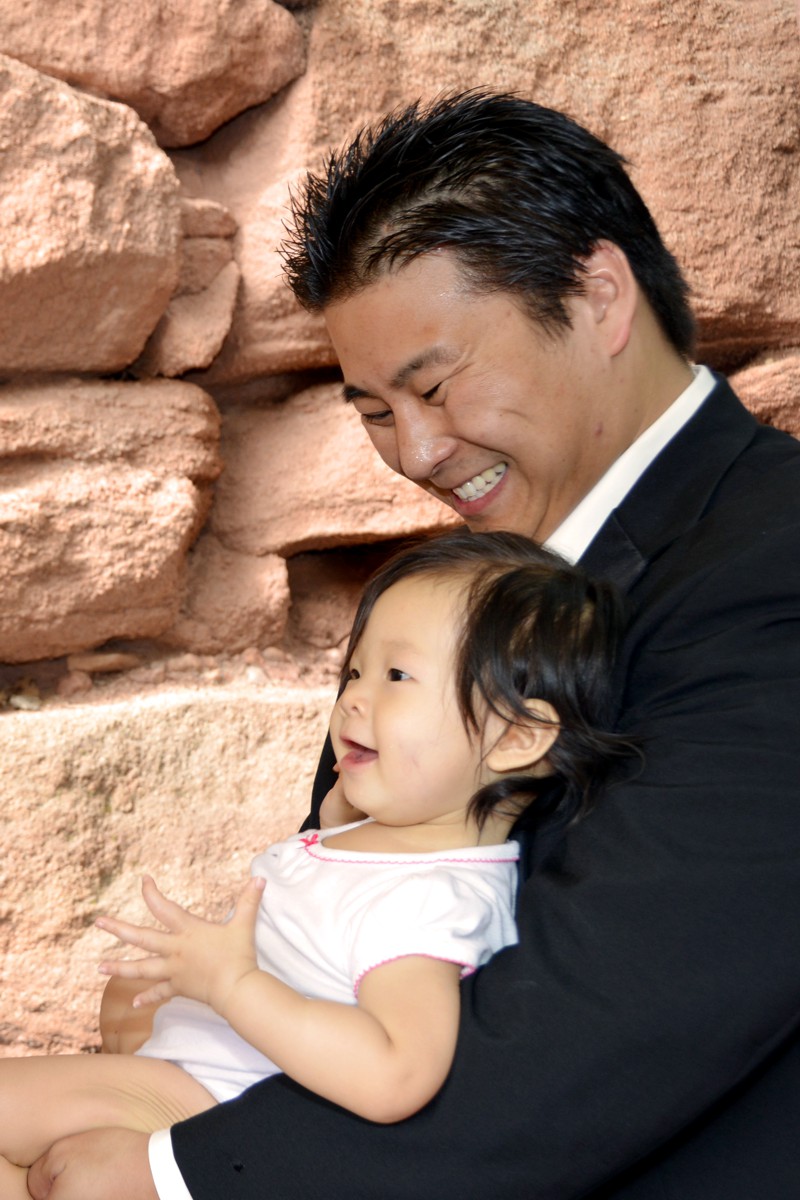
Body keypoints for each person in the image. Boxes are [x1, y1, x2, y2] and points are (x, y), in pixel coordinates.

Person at [27, 90, 800, 1200]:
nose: (419, 452)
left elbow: (623, 1017)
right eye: (375, 412)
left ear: (597, 295)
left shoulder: (773, 568)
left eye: (434, 386)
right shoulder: (454, 595)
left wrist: (174, 1171)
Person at [1, 530, 628, 1197]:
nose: (353, 697)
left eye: (396, 676)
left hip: (215, 1111)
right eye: (355, 672)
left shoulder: (428, 902)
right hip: (201, 1071)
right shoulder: (387, 837)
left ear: (516, 737)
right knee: (119, 1015)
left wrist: (233, 985)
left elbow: (396, 1073)